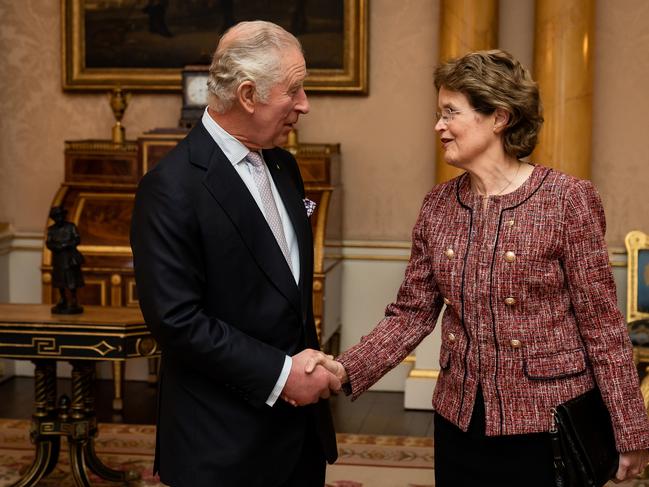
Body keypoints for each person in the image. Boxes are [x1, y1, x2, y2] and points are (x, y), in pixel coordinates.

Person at [302, 49, 649, 486]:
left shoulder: (567, 200)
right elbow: (411, 313)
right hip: (459, 420)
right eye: (438, 112)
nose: (438, 126)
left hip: (547, 425)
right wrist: (346, 368)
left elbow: (601, 325)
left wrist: (630, 429)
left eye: (451, 112)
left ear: (499, 117)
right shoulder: (438, 205)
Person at [130, 21, 339, 487]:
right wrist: (283, 376)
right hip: (221, 446)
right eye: (295, 91)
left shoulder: (284, 165)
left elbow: (285, 293)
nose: (304, 104)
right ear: (248, 95)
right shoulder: (170, 187)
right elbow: (177, 321)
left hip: (299, 438)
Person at [46, 205, 85, 314]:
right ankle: (63, 298)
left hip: (69, 257)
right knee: (60, 281)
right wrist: (57, 246)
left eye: (60, 216)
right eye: (56, 217)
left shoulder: (70, 227)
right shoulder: (51, 230)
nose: (59, 219)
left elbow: (77, 239)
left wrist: (66, 244)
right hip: (58, 259)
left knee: (71, 279)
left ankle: (73, 298)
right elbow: (49, 243)